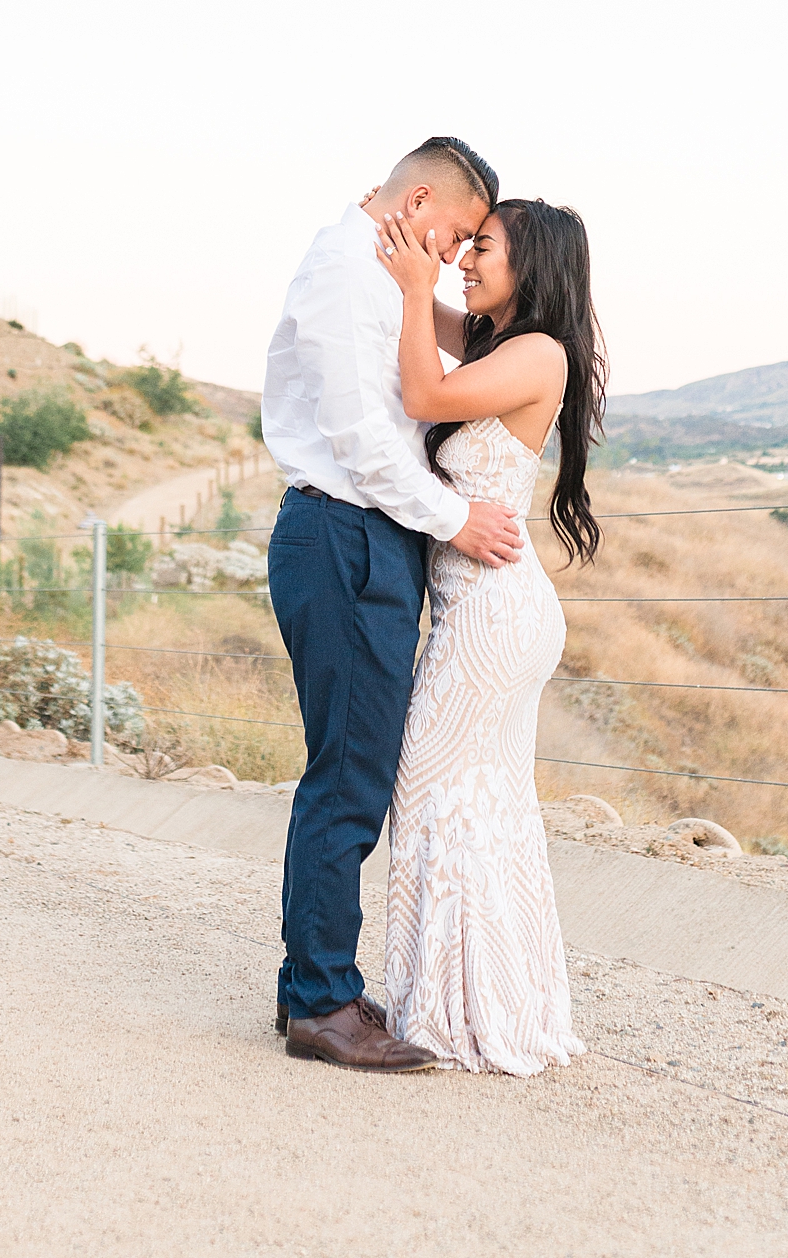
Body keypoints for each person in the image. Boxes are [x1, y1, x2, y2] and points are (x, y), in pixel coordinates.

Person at [262, 136, 524, 1073]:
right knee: (348, 778)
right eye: (456, 234)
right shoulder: (343, 273)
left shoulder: (382, 278)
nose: (455, 257)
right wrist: (457, 519)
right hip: (343, 535)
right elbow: (366, 445)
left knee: (351, 769)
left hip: (367, 538)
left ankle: (314, 984)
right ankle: (322, 1003)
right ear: (416, 202)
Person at [375, 195, 605, 1075]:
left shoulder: (537, 353)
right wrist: (403, 255)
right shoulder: (494, 342)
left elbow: (422, 390)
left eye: (485, 247)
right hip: (481, 605)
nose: (466, 259)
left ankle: (452, 1010)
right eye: (467, 245)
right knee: (480, 808)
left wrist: (410, 290)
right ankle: (496, 999)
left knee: (431, 788)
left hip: (494, 610)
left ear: (532, 262)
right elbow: (414, 302)